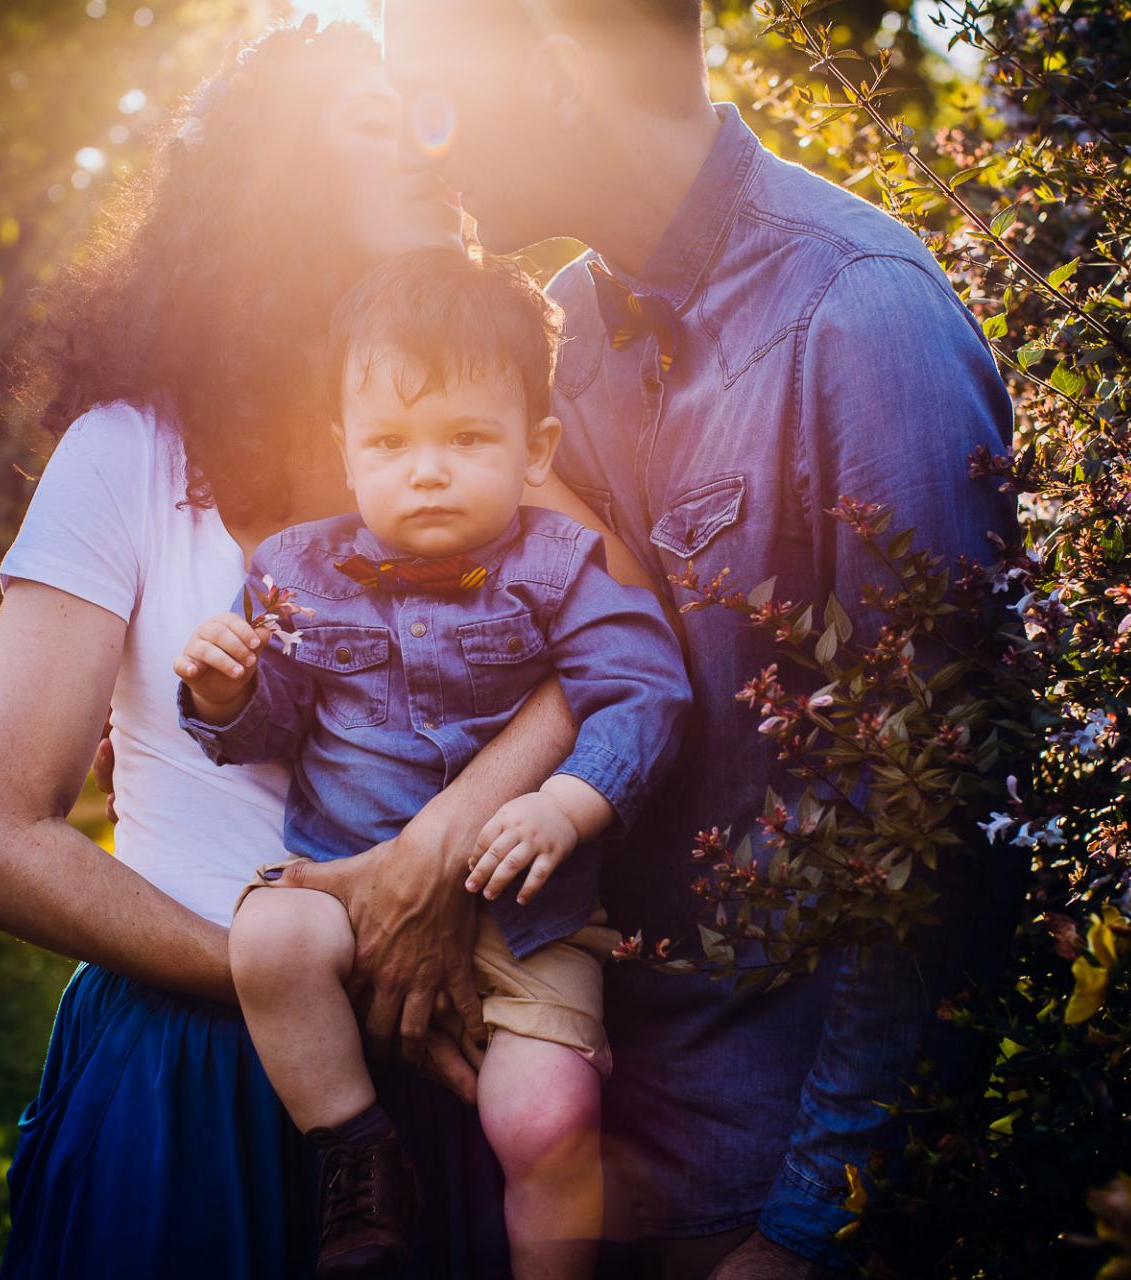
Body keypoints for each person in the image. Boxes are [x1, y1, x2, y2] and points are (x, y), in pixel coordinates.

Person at [0, 19, 664, 1278]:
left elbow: (621, 656)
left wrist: (437, 854)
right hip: (198, 1072)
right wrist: (301, 984)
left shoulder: (467, 444)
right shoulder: (131, 454)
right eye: (383, 125)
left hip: (457, 1046)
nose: (440, 144)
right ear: (275, 190)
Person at [376, 2, 1025, 1276]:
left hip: (762, 1180)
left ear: (558, 81)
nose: (423, 148)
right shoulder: (552, 334)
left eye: (439, 105)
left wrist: (813, 1222)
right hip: (570, 1150)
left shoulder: (863, 318)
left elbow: (943, 821)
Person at [174, 248, 690, 1278]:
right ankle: (357, 1154)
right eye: (392, 441)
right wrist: (223, 690)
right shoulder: (292, 576)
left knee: (548, 1118)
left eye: (467, 437)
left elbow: (643, 686)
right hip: (353, 895)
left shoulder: (559, 566)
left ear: (535, 445)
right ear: (348, 452)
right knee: (267, 936)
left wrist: (570, 805)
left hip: (531, 906)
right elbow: (270, 724)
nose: (428, 467)